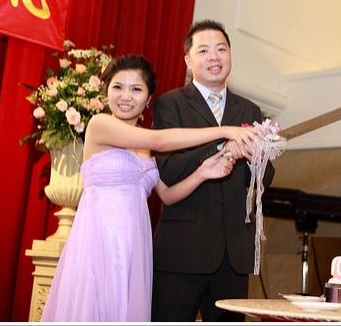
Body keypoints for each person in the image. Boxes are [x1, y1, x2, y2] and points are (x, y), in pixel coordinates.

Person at [40, 54, 264, 322]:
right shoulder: (100, 125)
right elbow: (158, 140)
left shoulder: (145, 148)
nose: (126, 96)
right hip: (102, 239)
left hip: (135, 242)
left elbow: (167, 195)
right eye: (117, 87)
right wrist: (224, 131)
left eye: (136, 89)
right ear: (106, 91)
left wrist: (203, 173)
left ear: (147, 99)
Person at [151, 19, 276, 322]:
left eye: (221, 49)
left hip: (233, 256)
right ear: (188, 60)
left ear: (230, 54)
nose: (214, 57)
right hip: (182, 251)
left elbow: (264, 179)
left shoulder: (249, 110)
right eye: (204, 50)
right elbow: (169, 170)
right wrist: (224, 145)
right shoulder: (170, 105)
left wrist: (256, 159)